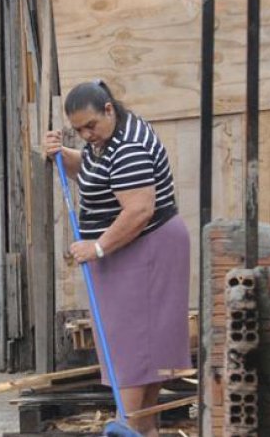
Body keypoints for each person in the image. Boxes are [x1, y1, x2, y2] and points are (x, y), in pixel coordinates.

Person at [44, 80, 190, 437]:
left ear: (109, 109)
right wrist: (62, 155)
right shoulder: (107, 139)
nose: (86, 134)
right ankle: (142, 428)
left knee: (135, 346)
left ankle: (129, 426)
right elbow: (95, 175)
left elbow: (139, 211)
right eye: (78, 130)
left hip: (146, 250)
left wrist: (97, 247)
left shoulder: (129, 146)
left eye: (90, 126)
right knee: (133, 346)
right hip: (127, 251)